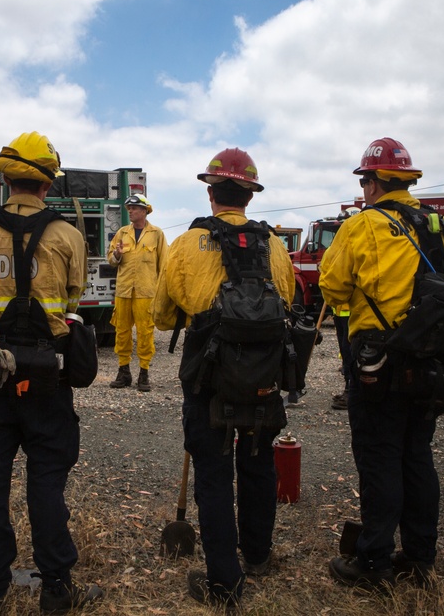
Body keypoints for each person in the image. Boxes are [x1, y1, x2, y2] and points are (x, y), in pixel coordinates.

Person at [0, 131, 102, 614]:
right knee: (46, 479)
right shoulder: (68, 235)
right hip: (48, 376)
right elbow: (71, 299)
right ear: (46, 185)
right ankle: (57, 587)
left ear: (6, 178)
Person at [153, 147, 294, 608]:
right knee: (257, 463)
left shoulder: (186, 245)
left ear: (212, 193)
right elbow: (287, 305)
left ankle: (224, 581)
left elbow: (160, 316)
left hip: (208, 377)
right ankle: (257, 555)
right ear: (249, 196)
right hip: (263, 377)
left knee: (213, 474)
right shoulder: (275, 245)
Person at [320, 137, 444, 589]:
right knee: (417, 455)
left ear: (374, 182)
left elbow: (333, 287)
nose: (364, 190)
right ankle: (419, 559)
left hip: (380, 359)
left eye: (366, 181)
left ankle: (373, 563)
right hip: (432, 360)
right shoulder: (440, 225)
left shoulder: (363, 225)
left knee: (380, 459)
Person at [107, 193, 167, 392]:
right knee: (121, 332)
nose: (130, 211)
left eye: (134, 208)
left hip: (146, 291)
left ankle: (144, 373)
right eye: (129, 209)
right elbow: (110, 259)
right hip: (124, 291)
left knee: (145, 332)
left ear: (144, 210)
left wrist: (163, 292)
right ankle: (123, 372)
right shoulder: (122, 233)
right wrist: (116, 254)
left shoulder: (157, 234)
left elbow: (164, 264)